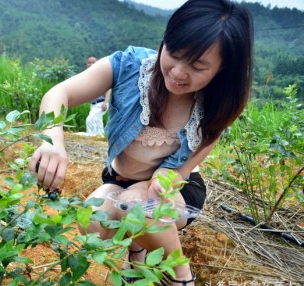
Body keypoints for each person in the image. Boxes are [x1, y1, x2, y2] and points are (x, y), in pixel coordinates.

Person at [29, 0, 253, 284]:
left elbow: (211, 135)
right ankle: (137, 250)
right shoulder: (130, 66)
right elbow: (60, 93)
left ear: (222, 69)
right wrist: (51, 141)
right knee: (92, 222)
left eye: (197, 66)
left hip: (176, 188)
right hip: (119, 178)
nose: (178, 72)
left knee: (139, 207)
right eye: (174, 53)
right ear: (164, 41)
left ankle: (180, 275)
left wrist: (176, 172)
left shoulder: (218, 100)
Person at [84, 56, 111, 136]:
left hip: (101, 103)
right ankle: (100, 136)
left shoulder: (101, 75)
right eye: (89, 62)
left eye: (93, 62)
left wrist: (105, 102)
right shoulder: (87, 76)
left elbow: (108, 90)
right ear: (86, 64)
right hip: (93, 104)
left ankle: (90, 136)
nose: (91, 64)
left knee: (90, 120)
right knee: (98, 121)